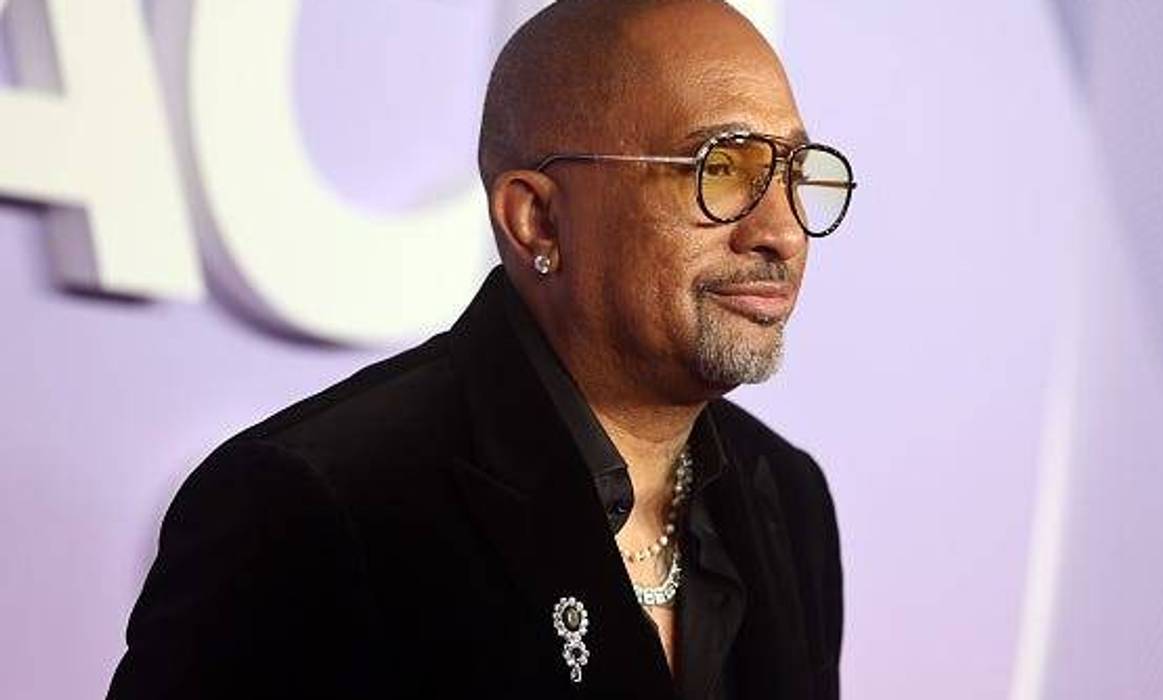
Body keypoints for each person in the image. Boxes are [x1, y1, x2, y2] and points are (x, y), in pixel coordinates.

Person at [107, 0, 854, 697]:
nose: (781, 232)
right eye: (720, 170)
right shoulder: (309, 503)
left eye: (792, 172)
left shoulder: (784, 494)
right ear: (536, 220)